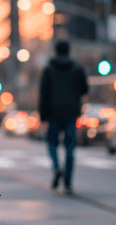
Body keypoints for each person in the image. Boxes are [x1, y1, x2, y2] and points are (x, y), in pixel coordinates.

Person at [38, 40, 89, 194]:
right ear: (69, 51)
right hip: (71, 113)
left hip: (53, 113)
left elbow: (43, 94)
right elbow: (85, 89)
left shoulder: (48, 69)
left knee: (51, 143)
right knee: (70, 148)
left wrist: (43, 116)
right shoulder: (77, 68)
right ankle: (68, 182)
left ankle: (56, 167)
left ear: (55, 51)